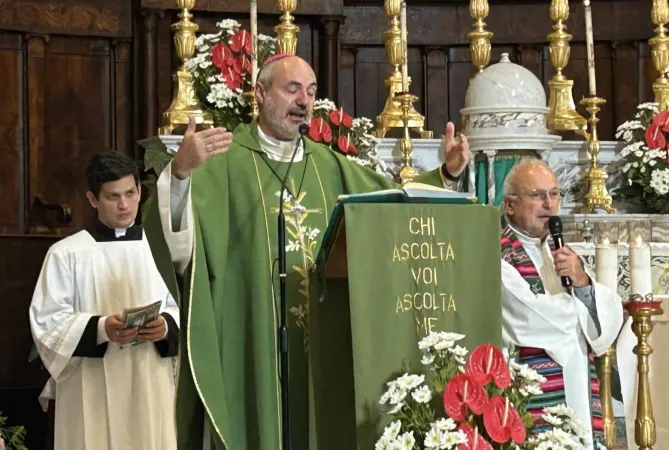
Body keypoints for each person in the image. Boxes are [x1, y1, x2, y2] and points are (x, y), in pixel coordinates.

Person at [143, 54, 470, 450]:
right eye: (292, 88)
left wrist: (446, 174)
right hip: (253, 339)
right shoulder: (224, 164)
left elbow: (392, 204)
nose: (304, 101)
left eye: (311, 92)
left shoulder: (331, 166)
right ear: (260, 94)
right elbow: (179, 245)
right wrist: (180, 174)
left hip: (322, 340)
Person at [29, 151, 179, 450]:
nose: (124, 205)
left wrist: (165, 327)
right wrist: (100, 329)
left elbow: (181, 306)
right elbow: (47, 323)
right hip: (91, 384)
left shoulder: (163, 250)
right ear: (93, 199)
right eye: (112, 196)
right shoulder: (66, 253)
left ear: (140, 191)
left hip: (150, 380)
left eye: (130, 193)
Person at [499, 159, 623, 449]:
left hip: (577, 382)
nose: (549, 204)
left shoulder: (561, 252)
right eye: (537, 195)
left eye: (555, 194)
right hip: (531, 388)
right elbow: (529, 319)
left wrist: (582, 283)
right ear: (510, 206)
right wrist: (581, 307)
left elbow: (605, 320)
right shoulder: (499, 254)